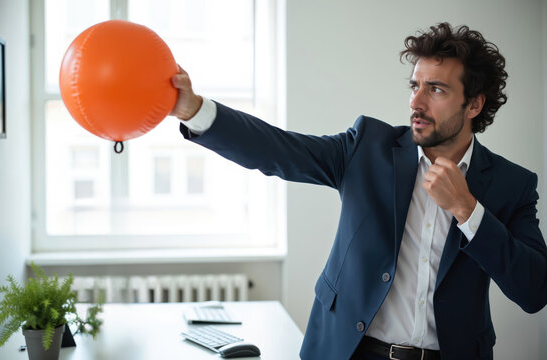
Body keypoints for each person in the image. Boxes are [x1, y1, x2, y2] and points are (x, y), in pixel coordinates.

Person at [169, 23, 547, 360]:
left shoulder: (512, 184)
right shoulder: (367, 147)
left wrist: (468, 210)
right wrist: (195, 111)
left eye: (436, 89)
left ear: (474, 104)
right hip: (351, 351)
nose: (416, 101)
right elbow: (278, 149)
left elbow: (534, 291)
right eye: (415, 86)